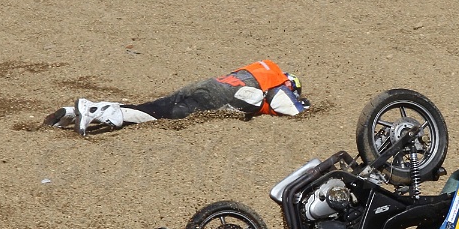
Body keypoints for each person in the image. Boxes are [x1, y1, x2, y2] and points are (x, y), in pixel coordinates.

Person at [43, 59, 311, 136]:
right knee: (157, 114)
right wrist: (304, 106)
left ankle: (75, 113)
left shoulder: (257, 71)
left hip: (207, 84)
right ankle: (98, 112)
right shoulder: (277, 83)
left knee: (155, 108)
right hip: (217, 97)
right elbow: (291, 109)